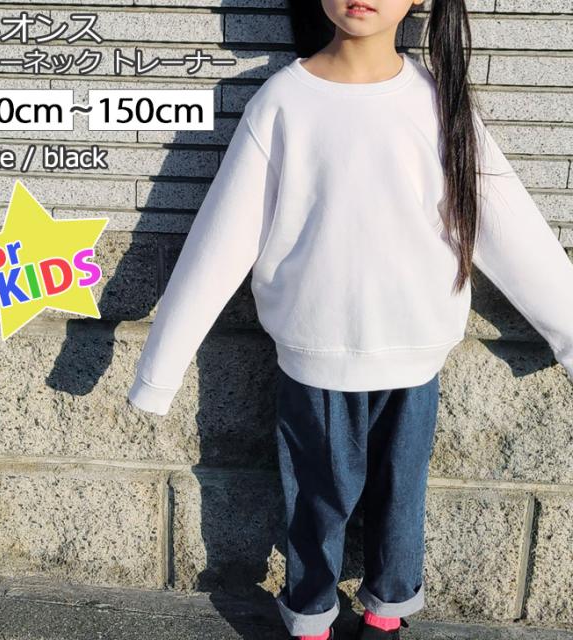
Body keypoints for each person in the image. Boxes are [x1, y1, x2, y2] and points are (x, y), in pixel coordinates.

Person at [127, 0, 573, 638]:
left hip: (415, 355)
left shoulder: (439, 104)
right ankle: (310, 613)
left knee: (400, 499)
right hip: (314, 355)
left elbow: (509, 226)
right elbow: (220, 242)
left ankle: (388, 612)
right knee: (315, 500)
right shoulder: (284, 103)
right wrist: (159, 371)